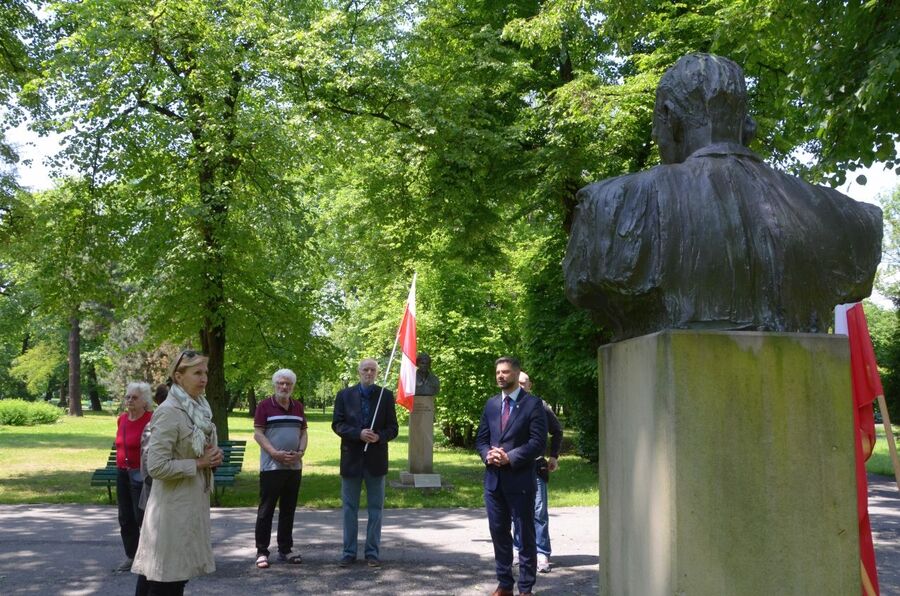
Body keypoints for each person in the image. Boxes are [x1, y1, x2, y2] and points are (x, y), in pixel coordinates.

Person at [563, 53, 882, 341]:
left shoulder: (610, 204)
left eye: (656, 126)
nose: (655, 138)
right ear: (746, 125)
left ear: (669, 118)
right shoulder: (848, 218)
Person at [132, 350, 223, 596]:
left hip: (191, 505)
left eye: (205, 372)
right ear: (178, 376)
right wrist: (199, 463)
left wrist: (212, 458)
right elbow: (156, 466)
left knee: (163, 576)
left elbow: (196, 454)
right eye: (197, 373)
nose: (203, 378)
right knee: (166, 580)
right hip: (172, 510)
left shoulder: (200, 410)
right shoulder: (169, 411)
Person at [475, 357, 547, 596]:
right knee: (498, 533)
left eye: (505, 372)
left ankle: (526, 588)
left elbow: (537, 443)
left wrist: (511, 457)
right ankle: (505, 584)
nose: (500, 376)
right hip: (494, 482)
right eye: (497, 372)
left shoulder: (533, 405)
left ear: (516, 374)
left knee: (525, 536)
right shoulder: (491, 404)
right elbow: (482, 439)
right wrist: (488, 455)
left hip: (520, 481)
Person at [332, 358, 399, 567]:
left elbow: (393, 428)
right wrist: (358, 434)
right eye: (365, 369)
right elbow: (337, 424)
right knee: (349, 508)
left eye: (372, 370)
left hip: (376, 460)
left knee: (375, 509)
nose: (368, 373)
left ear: (377, 373)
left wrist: (379, 436)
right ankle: (349, 552)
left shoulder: (385, 396)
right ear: (358, 371)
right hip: (351, 459)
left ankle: (372, 553)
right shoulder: (344, 395)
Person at [253, 368, 308, 569]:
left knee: (288, 509)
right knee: (266, 510)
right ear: (275, 384)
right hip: (271, 466)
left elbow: (303, 433)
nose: (284, 387)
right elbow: (258, 434)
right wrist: (274, 453)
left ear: (293, 386)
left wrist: (301, 452)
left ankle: (285, 549)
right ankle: (262, 551)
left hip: (294, 466)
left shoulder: (298, 407)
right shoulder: (264, 406)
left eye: (288, 384)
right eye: (281, 383)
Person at [512, 371, 562, 574]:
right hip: (514, 467)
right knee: (516, 511)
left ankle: (542, 554)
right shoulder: (507, 405)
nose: (522, 386)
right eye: (518, 383)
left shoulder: (540, 406)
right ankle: (519, 550)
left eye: (525, 383)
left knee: (539, 511)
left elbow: (557, 430)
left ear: (530, 385)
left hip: (536, 466)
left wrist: (554, 456)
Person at [113, 382, 154, 574]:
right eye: (127, 397)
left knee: (142, 516)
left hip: (141, 473)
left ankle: (148, 555)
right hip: (122, 472)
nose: (129, 400)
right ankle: (131, 555)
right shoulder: (122, 419)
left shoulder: (151, 419)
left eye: (134, 397)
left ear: (145, 401)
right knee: (125, 517)